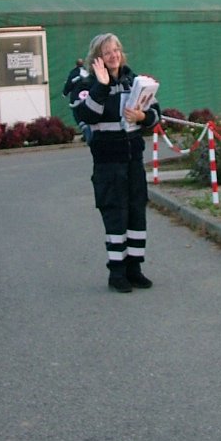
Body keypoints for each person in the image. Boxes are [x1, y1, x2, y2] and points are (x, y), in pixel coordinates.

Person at [72, 32, 161, 293]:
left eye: (117, 50)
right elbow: (86, 114)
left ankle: (135, 269)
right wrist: (101, 86)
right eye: (108, 52)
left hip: (133, 159)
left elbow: (157, 116)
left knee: (136, 213)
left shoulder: (135, 81)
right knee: (115, 214)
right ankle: (117, 272)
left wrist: (143, 116)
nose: (114, 55)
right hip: (108, 162)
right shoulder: (86, 84)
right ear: (97, 58)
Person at [62, 57, 91, 143]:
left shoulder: (73, 73)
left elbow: (68, 84)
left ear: (76, 64)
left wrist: (65, 93)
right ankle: (89, 132)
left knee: (77, 116)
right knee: (89, 116)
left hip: (76, 100)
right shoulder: (89, 72)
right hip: (89, 99)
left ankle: (86, 132)